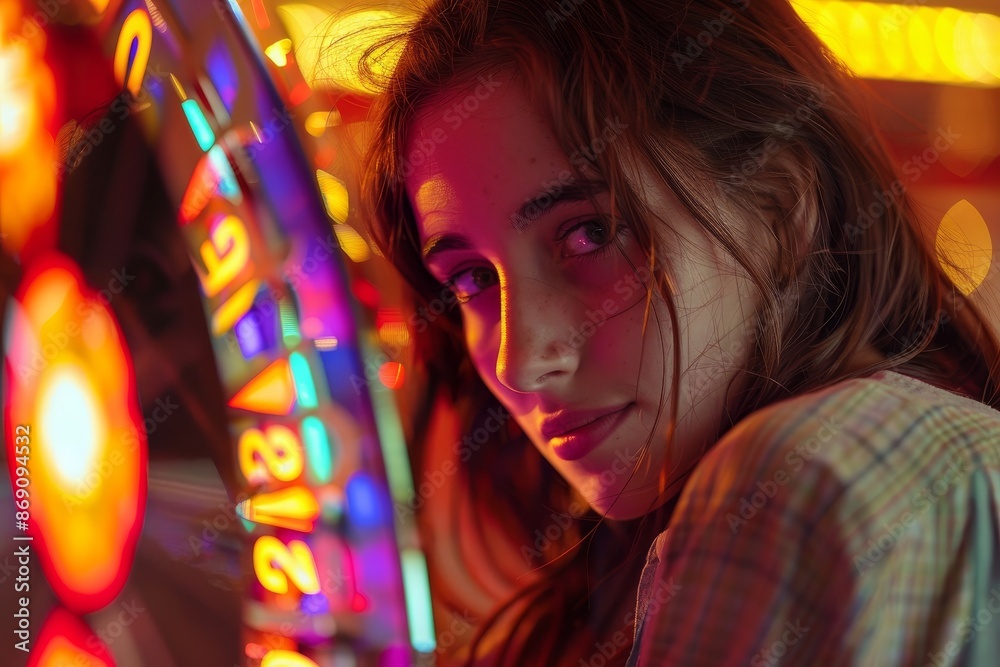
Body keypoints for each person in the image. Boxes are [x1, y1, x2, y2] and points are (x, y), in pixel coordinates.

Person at [355, 0, 1000, 664]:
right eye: (471, 279)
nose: (519, 362)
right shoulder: (606, 588)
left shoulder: (809, 471)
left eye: (590, 233)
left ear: (781, 210)